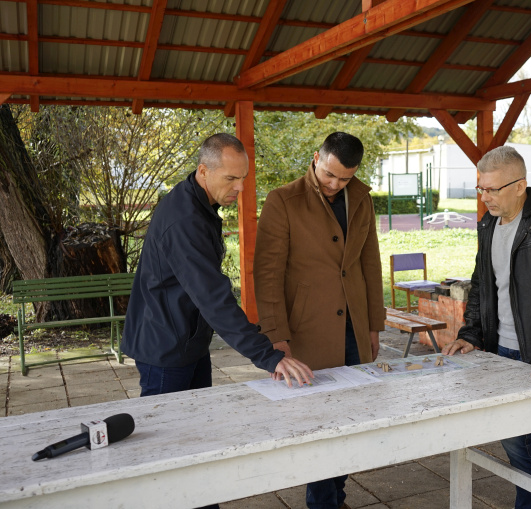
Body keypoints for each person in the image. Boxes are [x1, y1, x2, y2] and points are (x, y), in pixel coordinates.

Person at [442, 145, 531, 509]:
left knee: (528, 449)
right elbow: (481, 284)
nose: (484, 197)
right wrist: (470, 333)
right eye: (480, 188)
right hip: (498, 349)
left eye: (493, 189)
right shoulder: (489, 223)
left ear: (520, 186)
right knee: (516, 444)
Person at [122, 132, 313, 397]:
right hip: (165, 348)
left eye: (243, 177)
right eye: (231, 178)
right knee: (168, 421)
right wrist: (267, 356)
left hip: (189, 341)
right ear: (204, 171)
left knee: (201, 418)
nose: (240, 187)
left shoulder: (200, 203)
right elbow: (212, 297)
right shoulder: (184, 220)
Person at [254, 131, 385, 509]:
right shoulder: (282, 200)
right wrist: (276, 336)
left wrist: (374, 325)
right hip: (306, 330)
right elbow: (267, 274)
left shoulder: (361, 198)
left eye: (345, 178)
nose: (335, 184)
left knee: (350, 420)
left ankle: (336, 497)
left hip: (355, 327)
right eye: (329, 174)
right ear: (316, 158)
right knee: (317, 423)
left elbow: (370, 262)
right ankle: (323, 503)